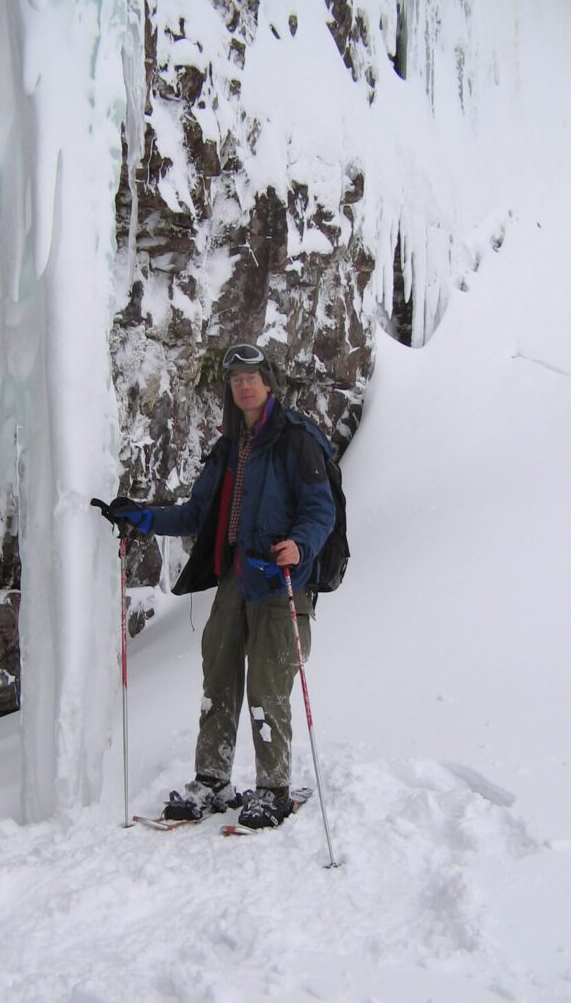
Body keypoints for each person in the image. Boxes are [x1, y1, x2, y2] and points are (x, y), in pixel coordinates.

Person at [109, 344, 335, 829]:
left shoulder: (296, 440)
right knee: (219, 678)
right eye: (236, 380)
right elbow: (196, 514)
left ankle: (272, 787)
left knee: (267, 684)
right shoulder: (229, 450)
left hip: (280, 580)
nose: (244, 386)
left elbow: (321, 509)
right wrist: (142, 518)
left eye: (252, 377)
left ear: (269, 383)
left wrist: (299, 544)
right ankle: (213, 779)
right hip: (236, 578)